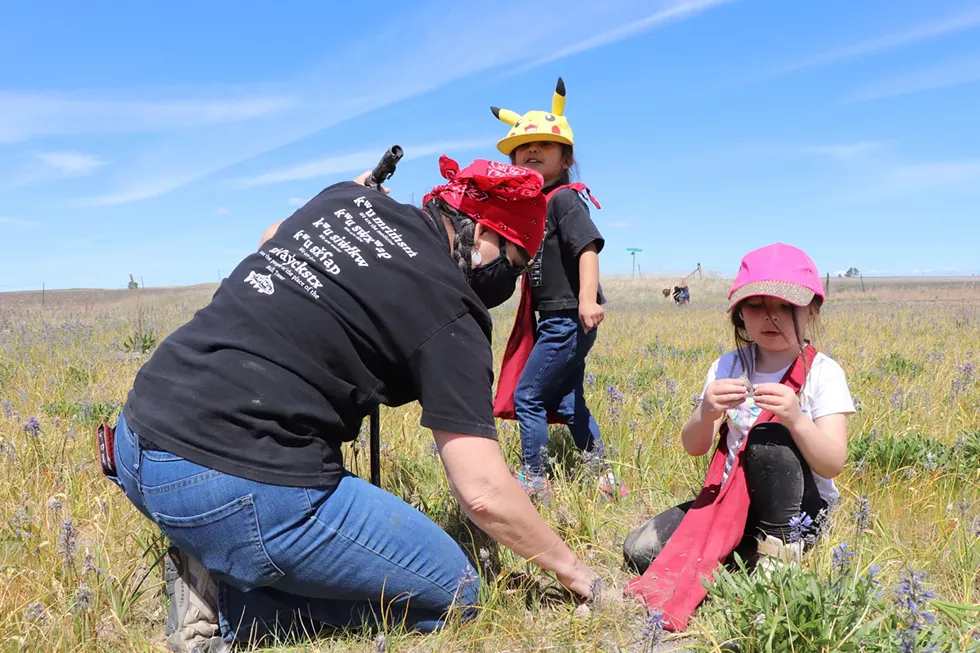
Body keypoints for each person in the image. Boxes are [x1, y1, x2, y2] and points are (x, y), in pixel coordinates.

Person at [100, 157, 601, 652]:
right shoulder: (451, 312)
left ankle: (210, 546)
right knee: (460, 594)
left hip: (136, 440)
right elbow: (484, 492)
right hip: (232, 480)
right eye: (511, 262)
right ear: (483, 232)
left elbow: (270, 237)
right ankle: (233, 600)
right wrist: (574, 571)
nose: (505, 284)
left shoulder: (344, 200)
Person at [622, 243, 855, 631]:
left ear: (812, 310)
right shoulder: (727, 365)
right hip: (733, 503)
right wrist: (708, 410)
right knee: (640, 549)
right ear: (739, 313)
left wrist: (796, 418)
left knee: (767, 438)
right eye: (757, 305)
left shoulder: (823, 373)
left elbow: (832, 462)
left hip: (800, 512)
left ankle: (779, 559)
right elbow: (694, 447)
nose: (771, 317)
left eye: (785, 306)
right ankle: (745, 554)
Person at [489, 77, 627, 501]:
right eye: (523, 150)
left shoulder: (564, 200)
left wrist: (587, 300)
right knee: (568, 403)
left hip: (568, 318)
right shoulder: (534, 208)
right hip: (554, 318)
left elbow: (588, 248)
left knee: (528, 395)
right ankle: (604, 478)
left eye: (543, 148)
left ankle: (535, 481)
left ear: (565, 159)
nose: (531, 153)